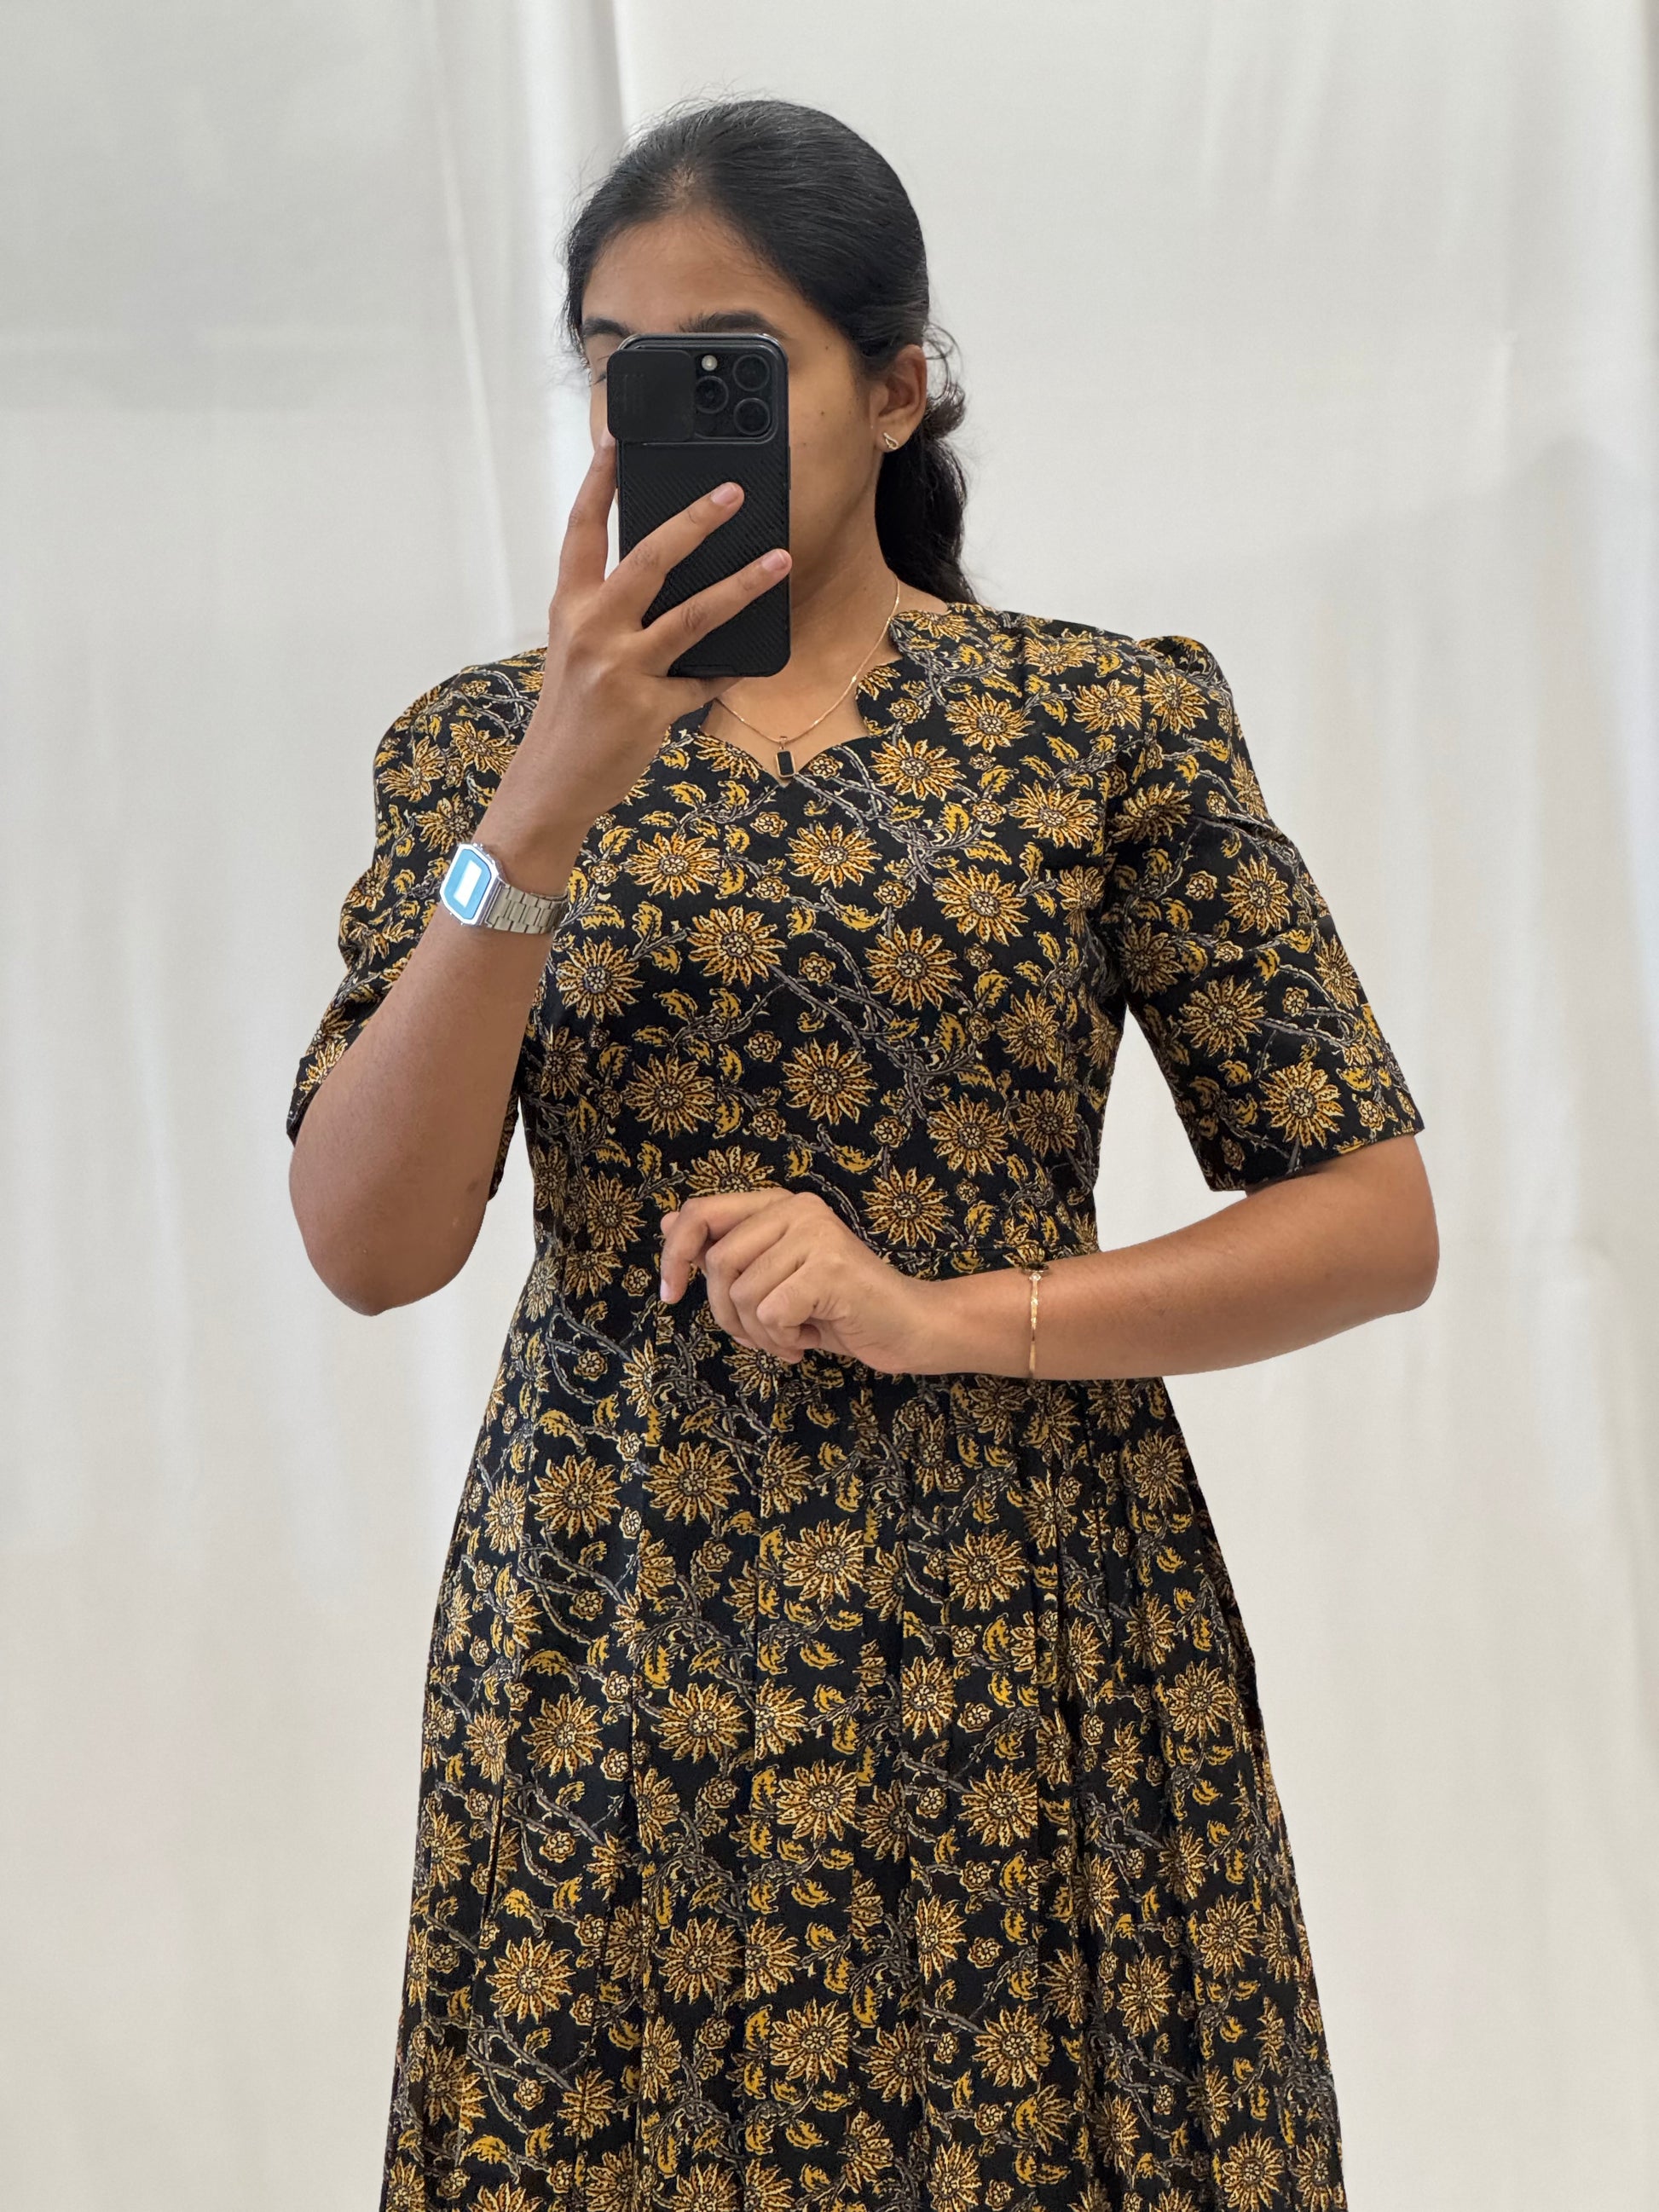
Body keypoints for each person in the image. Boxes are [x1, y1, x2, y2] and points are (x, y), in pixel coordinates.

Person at [287, 95, 1435, 2212]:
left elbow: (1370, 1218)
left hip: (1031, 1614)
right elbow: (368, 1243)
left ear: (897, 387)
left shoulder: (1104, 726)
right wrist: (538, 810)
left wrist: (937, 1310)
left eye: (724, 365)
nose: (660, 423)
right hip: (614, 1618)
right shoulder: (475, 749)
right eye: (619, 371)